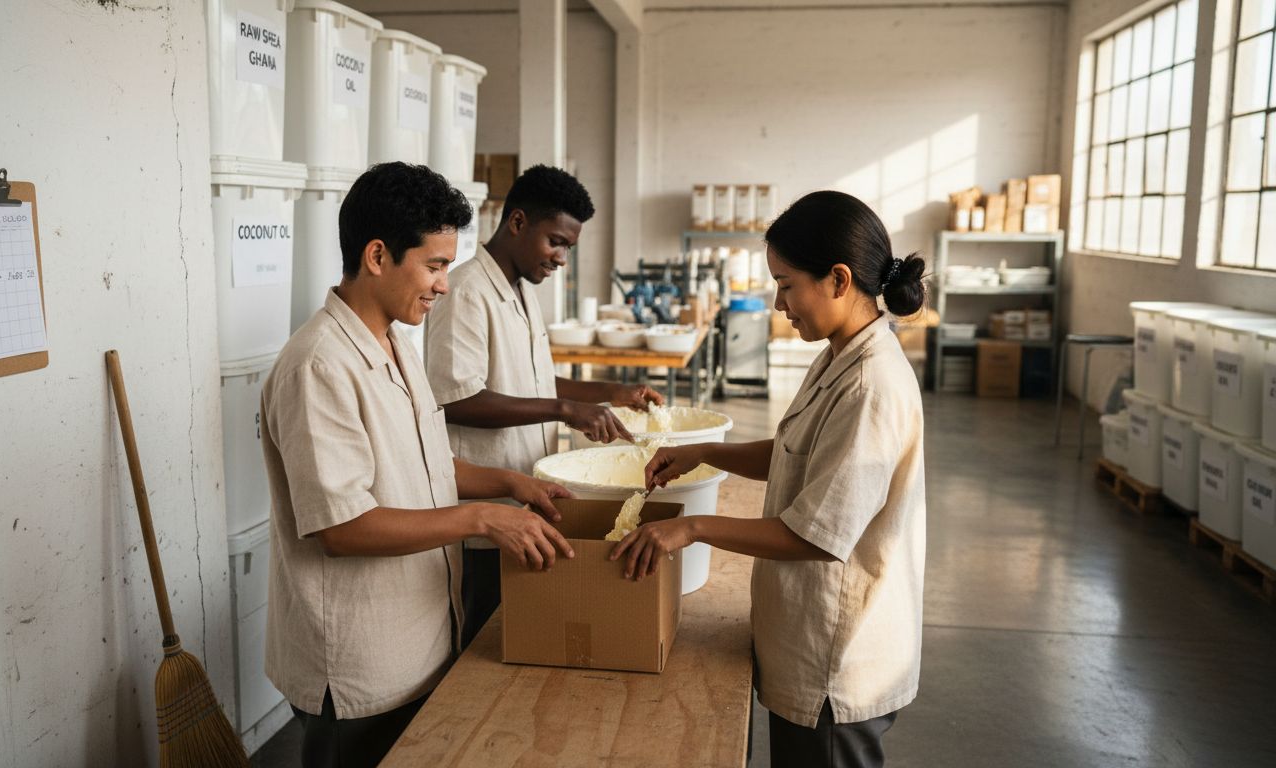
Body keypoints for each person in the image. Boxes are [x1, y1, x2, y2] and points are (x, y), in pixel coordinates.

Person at [260, 162, 576, 768]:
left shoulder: (394, 343)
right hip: (358, 664)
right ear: (378, 256)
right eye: (433, 266)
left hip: (419, 639)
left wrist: (512, 483)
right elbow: (342, 528)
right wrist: (484, 519)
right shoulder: (318, 367)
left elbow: (427, 464)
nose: (444, 285)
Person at [610, 191, 927, 768]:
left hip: (838, 660)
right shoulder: (839, 353)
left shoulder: (870, 386)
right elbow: (794, 454)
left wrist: (693, 529)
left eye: (786, 284)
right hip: (806, 640)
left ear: (837, 279)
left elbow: (816, 536)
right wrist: (704, 452)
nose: (779, 303)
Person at [425, 164, 664, 648]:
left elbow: (531, 379)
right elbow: (455, 399)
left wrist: (607, 392)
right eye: (556, 242)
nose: (560, 259)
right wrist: (563, 409)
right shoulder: (467, 292)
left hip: (526, 502)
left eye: (568, 248)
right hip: (484, 514)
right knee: (483, 641)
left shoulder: (522, 291)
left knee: (518, 633)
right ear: (517, 222)